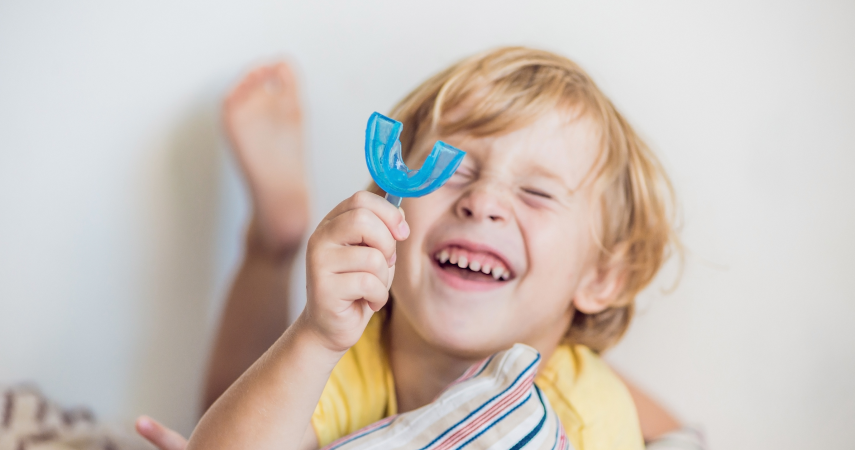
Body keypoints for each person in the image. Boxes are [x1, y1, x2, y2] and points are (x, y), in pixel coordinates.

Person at [136, 48, 704, 450]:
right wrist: (315, 336)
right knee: (229, 410)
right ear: (392, 200)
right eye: (451, 171)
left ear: (602, 276)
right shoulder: (350, 352)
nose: (482, 202)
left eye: (535, 192)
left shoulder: (586, 413)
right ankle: (274, 242)